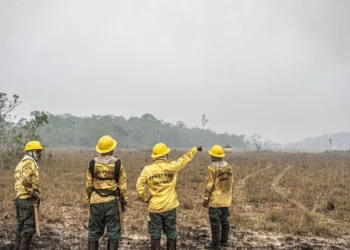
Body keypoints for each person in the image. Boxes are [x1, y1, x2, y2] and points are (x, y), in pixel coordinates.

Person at [136, 143, 202, 250]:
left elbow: (139, 187)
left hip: (155, 207)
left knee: (155, 233)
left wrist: (144, 199)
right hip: (170, 206)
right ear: (165, 154)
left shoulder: (147, 170)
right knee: (171, 231)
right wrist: (194, 149)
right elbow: (184, 159)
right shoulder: (172, 166)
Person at [86, 135, 128, 250]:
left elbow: (89, 185)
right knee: (113, 233)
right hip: (112, 202)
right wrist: (124, 201)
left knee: (94, 232)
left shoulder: (92, 163)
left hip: (95, 201)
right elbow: (123, 186)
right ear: (111, 149)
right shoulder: (118, 164)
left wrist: (90, 198)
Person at [14, 141, 45, 250]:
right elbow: (26, 180)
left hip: (19, 199)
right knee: (27, 230)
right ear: (31, 152)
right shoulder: (29, 163)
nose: (40, 153)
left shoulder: (21, 163)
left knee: (20, 227)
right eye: (38, 151)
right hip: (27, 200)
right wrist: (33, 192)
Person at [203, 145, 234, 249]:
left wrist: (205, 199)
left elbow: (209, 185)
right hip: (226, 201)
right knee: (225, 221)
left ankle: (215, 244)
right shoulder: (229, 167)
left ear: (212, 156)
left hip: (215, 202)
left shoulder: (212, 169)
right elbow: (231, 183)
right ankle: (224, 241)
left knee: (215, 223)